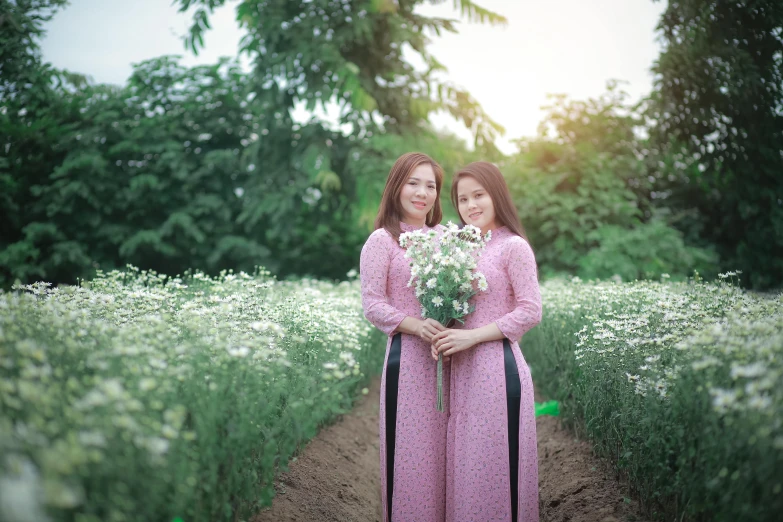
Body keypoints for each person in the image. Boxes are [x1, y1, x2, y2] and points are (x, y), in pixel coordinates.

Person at [432, 161, 542, 522]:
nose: (470, 206)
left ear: (497, 194)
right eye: (462, 199)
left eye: (478, 195)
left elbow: (530, 310)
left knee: (495, 469)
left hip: (498, 370)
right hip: (461, 374)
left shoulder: (514, 247)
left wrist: (472, 337)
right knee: (467, 472)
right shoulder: (461, 249)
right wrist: (443, 331)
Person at [360, 152, 449, 522]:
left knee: (452, 455)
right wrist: (415, 325)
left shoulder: (450, 238)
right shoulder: (382, 241)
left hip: (452, 361)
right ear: (397, 186)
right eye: (413, 183)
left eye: (430, 186)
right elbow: (372, 304)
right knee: (413, 455)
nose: (422, 193)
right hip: (408, 364)